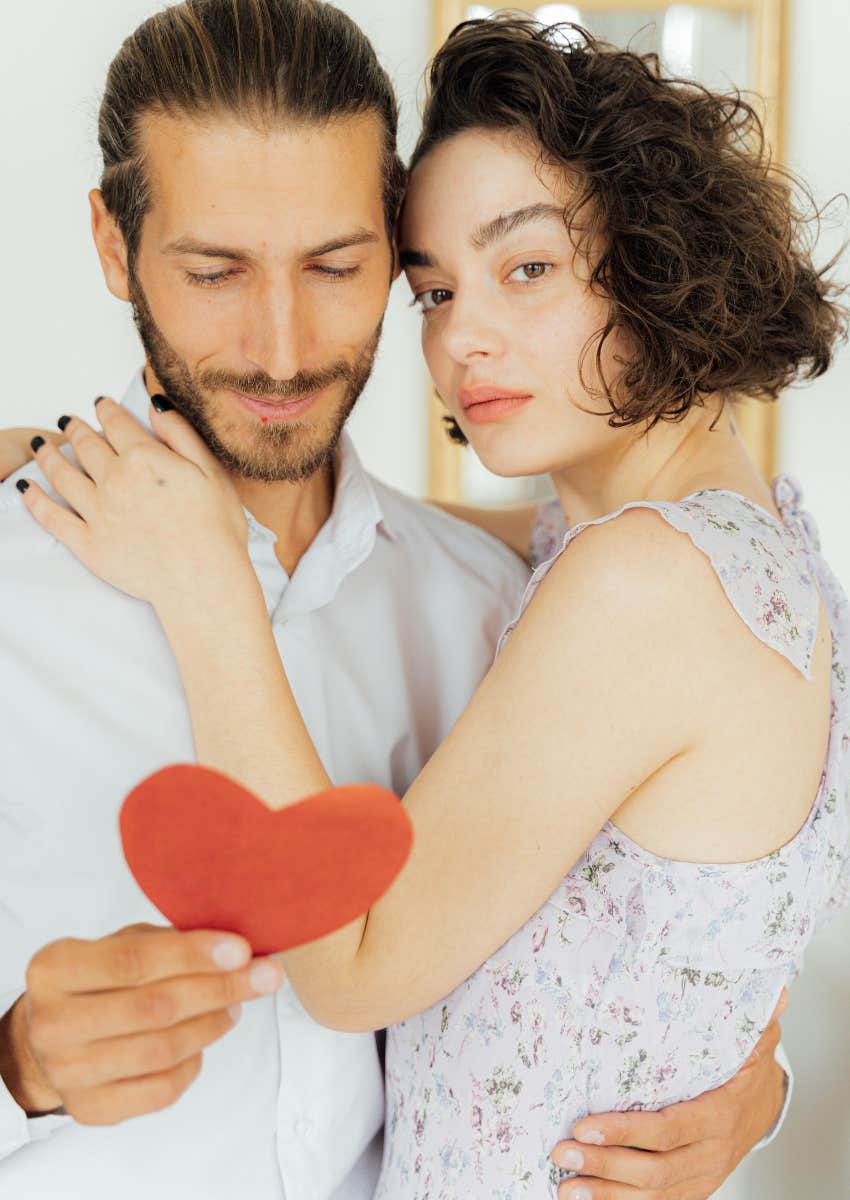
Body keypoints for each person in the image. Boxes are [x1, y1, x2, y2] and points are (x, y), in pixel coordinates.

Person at [10, 9, 846, 1200]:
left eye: (344, 268)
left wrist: (755, 1088)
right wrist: (12, 1066)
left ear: (655, 253)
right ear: (113, 241)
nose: (284, 347)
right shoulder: (617, 553)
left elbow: (360, 969)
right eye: (438, 290)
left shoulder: (579, 594)